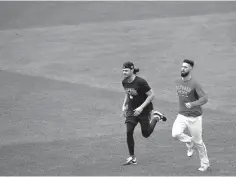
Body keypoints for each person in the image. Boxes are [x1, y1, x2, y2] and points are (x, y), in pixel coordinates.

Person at [121, 61, 166, 165]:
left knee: (146, 133)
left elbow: (151, 95)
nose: (124, 72)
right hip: (132, 110)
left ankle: (156, 117)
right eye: (123, 70)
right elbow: (127, 94)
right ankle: (132, 157)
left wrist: (141, 108)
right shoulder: (124, 82)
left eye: (126, 70)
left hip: (144, 110)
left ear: (132, 70)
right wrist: (124, 106)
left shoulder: (140, 82)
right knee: (129, 131)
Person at [172, 59, 210, 171]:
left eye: (186, 67)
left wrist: (192, 104)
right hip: (182, 115)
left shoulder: (195, 84)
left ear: (190, 69)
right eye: (182, 66)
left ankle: (205, 164)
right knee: (176, 133)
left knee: (199, 142)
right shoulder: (178, 82)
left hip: (195, 117)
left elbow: (204, 98)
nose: (183, 68)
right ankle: (189, 141)